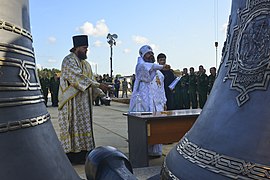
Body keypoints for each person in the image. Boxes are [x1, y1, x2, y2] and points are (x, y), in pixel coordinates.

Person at [58, 35, 109, 164]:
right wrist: (98, 85)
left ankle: (83, 154)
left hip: (84, 103)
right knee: (72, 126)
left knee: (83, 127)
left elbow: (91, 81)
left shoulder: (86, 64)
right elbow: (77, 78)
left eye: (87, 48)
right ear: (76, 48)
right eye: (84, 48)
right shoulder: (68, 60)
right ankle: (71, 155)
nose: (86, 50)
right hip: (71, 103)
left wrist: (103, 94)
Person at [129, 45, 170, 157]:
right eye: (148, 53)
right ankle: (143, 151)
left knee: (157, 127)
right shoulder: (140, 66)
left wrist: (164, 102)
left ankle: (155, 151)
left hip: (157, 104)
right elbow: (147, 76)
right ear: (143, 55)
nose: (151, 55)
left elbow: (161, 89)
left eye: (152, 53)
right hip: (144, 103)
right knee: (145, 128)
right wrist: (161, 67)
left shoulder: (159, 73)